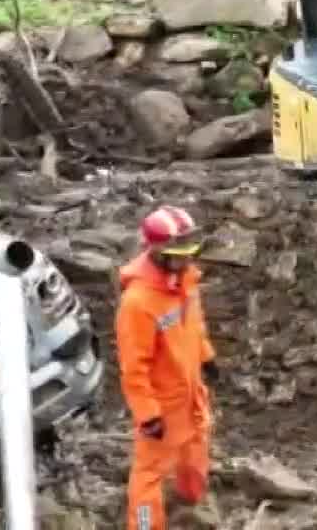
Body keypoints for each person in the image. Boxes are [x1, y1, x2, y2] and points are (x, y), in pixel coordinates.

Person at [118, 206, 219, 530]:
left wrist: (206, 356)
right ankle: (145, 526)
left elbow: (194, 326)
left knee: (196, 449)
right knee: (149, 475)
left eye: (189, 254)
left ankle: (192, 499)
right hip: (163, 404)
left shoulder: (185, 280)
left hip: (191, 391)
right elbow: (134, 367)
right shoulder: (138, 303)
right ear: (158, 252)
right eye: (179, 255)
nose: (186, 261)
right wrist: (147, 414)